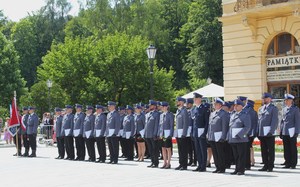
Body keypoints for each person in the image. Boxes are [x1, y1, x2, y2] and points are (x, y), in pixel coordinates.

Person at [227, 99, 250, 175]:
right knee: (236, 155)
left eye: (237, 105)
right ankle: (236, 169)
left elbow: (247, 127)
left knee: (241, 155)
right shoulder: (233, 114)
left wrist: (239, 134)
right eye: (234, 105)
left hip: (241, 139)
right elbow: (230, 126)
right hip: (233, 139)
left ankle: (241, 170)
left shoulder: (245, 115)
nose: (235, 107)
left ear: (241, 106)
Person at [257, 93, 278, 172]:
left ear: (270, 99)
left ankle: (270, 166)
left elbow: (274, 121)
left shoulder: (273, 108)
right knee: (264, 150)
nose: (264, 100)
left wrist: (271, 131)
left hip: (269, 133)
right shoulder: (261, 108)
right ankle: (265, 165)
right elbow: (259, 121)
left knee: (270, 150)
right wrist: (258, 132)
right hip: (262, 133)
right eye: (263, 98)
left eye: (265, 98)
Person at [208, 98, 229, 173]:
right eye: (214, 104)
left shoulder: (224, 114)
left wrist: (223, 136)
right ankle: (217, 167)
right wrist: (209, 134)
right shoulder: (212, 113)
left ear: (220, 105)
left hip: (219, 136)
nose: (214, 105)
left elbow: (224, 126)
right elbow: (210, 125)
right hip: (213, 136)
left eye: (216, 104)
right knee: (215, 152)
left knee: (220, 153)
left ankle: (222, 168)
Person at [280, 94, 300, 169]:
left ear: (291, 101)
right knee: (286, 148)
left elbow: (297, 121)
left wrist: (297, 132)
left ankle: (293, 163)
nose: (286, 101)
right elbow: (282, 121)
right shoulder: (284, 109)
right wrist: (281, 131)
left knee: (292, 148)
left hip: (292, 132)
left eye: (287, 100)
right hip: (285, 131)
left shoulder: (295, 109)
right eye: (285, 100)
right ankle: (287, 162)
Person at [192, 93, 210, 172]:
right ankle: (199, 165)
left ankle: (203, 166)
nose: (194, 100)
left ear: (199, 99)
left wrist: (205, 132)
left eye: (195, 98)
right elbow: (194, 122)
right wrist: (193, 132)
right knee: (197, 150)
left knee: (203, 149)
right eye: (194, 99)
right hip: (196, 132)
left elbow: (207, 122)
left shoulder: (204, 108)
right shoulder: (195, 109)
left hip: (202, 131)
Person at [175, 97, 189, 171]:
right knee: (180, 150)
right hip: (178, 133)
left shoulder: (184, 111)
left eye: (178, 101)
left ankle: (184, 165)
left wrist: (184, 133)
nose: (177, 102)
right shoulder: (178, 111)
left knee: (184, 150)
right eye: (177, 101)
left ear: (182, 102)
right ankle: (181, 163)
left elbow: (185, 123)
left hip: (183, 133)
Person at [145, 100, 160, 168]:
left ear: (154, 106)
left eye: (151, 105)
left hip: (153, 135)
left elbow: (157, 125)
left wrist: (155, 134)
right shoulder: (148, 114)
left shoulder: (157, 114)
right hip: (148, 134)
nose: (150, 106)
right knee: (150, 149)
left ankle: (156, 162)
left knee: (155, 149)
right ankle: (152, 161)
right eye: (149, 105)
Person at [158, 102, 174, 169]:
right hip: (162, 134)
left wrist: (170, 134)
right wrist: (159, 133)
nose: (161, 108)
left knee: (168, 148)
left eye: (163, 106)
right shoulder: (161, 115)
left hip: (167, 134)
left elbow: (171, 125)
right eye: (161, 106)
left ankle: (169, 163)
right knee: (163, 148)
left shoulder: (170, 115)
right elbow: (160, 125)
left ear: (166, 107)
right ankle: (164, 162)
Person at [245, 100, 258, 170]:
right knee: (249, 147)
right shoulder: (254, 112)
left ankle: (247, 163)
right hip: (251, 133)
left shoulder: (247, 111)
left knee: (246, 149)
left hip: (246, 133)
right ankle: (251, 161)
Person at [186, 98, 197, 167]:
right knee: (189, 148)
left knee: (194, 148)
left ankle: (195, 161)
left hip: (192, 131)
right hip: (187, 131)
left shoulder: (194, 110)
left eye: (187, 104)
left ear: (190, 104)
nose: (186, 105)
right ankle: (190, 160)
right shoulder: (187, 111)